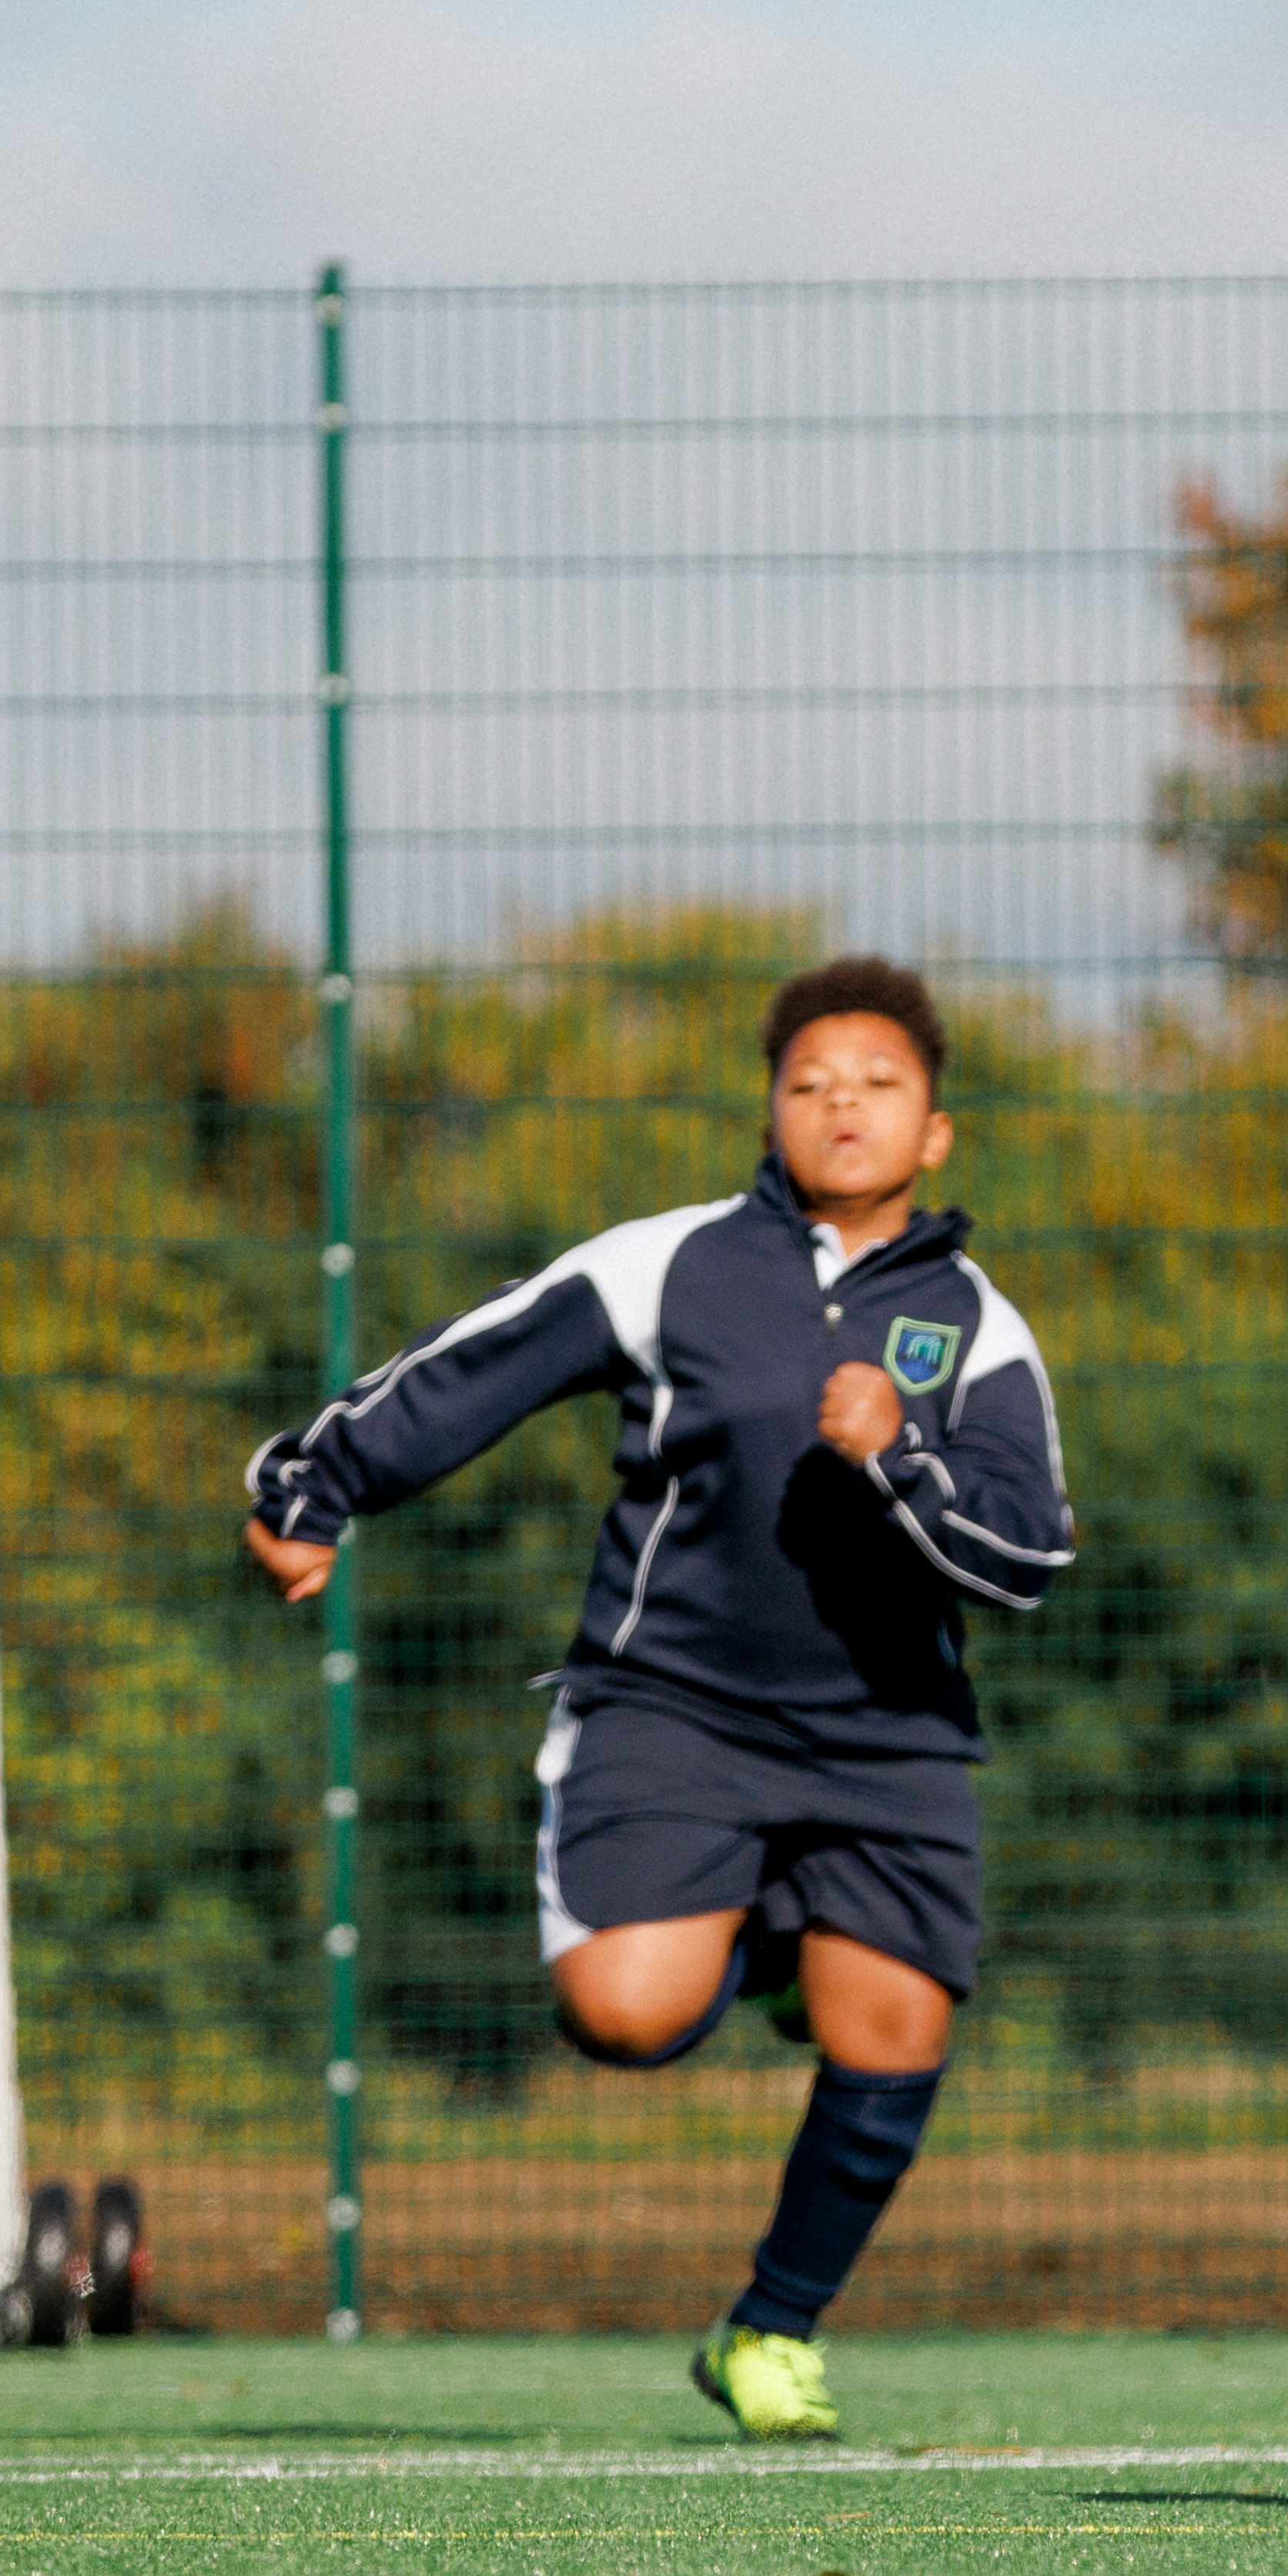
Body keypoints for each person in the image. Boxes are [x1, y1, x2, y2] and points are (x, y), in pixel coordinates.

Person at [241, 957, 1071, 2439]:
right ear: (770, 1109)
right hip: (674, 1708)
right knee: (623, 2013)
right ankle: (759, 1925)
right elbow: (469, 1370)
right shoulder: (668, 1263)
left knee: (893, 2031)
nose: (844, 1105)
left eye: (880, 1083)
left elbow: (1031, 1547)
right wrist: (316, 1481)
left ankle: (771, 2331)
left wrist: (898, 1453)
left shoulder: (976, 1321)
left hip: (889, 1735)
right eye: (811, 1080)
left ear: (935, 1129)